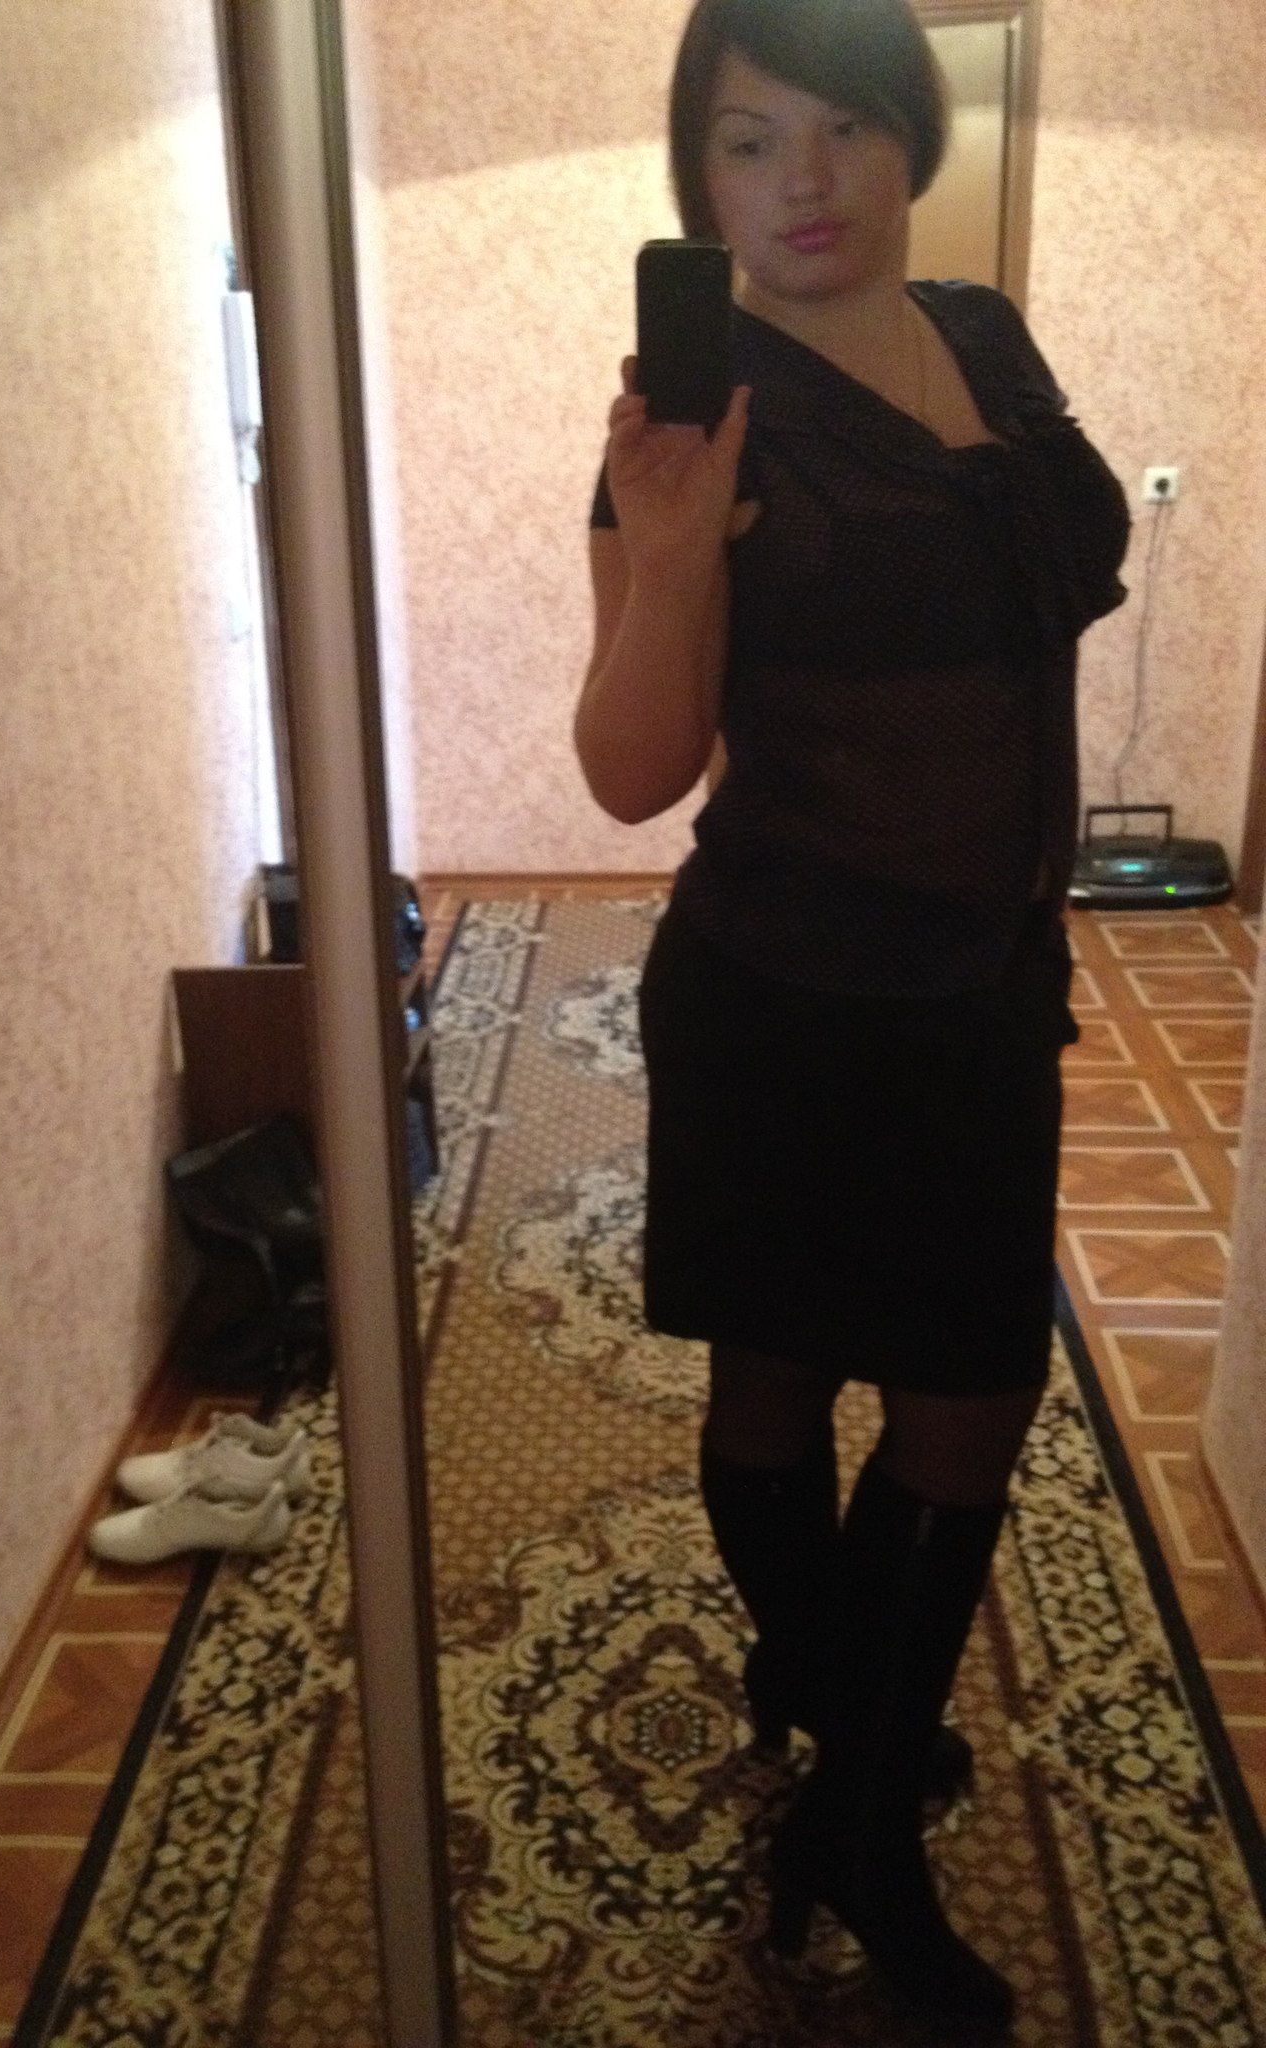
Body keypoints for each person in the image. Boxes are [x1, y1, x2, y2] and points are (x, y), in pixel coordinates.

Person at [574, 0, 1131, 2029]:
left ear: (911, 139)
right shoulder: (698, 416)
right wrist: (665, 558)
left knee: (971, 1401)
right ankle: (859, 1784)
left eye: (842, 129)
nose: (801, 183)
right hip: (785, 994)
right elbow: (631, 772)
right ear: (698, 174)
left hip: (983, 982)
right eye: (747, 141)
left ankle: (841, 1744)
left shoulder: (988, 337)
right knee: (778, 1382)